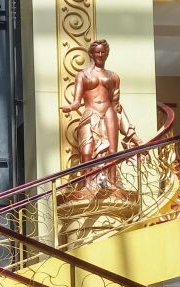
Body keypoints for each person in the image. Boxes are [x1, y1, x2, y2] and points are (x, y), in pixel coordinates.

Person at [60, 39, 141, 187]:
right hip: (90, 113)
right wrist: (71, 108)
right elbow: (77, 101)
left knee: (112, 151)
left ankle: (112, 183)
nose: (100, 54)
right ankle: (88, 184)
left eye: (103, 52)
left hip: (109, 113)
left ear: (107, 54)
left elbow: (116, 105)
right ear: (91, 54)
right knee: (86, 151)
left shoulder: (114, 76)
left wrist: (130, 132)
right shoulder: (83, 75)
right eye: (97, 52)